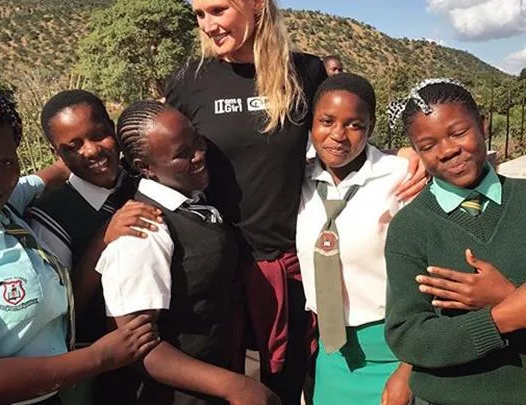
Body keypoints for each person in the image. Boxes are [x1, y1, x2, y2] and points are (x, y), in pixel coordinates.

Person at [165, 1, 427, 403]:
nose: (208, 25)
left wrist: (405, 157)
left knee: (288, 385)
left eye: (218, 9)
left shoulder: (304, 71)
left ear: (254, 5)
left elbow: (340, 134)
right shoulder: (189, 81)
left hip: (293, 267)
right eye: (199, 14)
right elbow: (164, 158)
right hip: (218, 270)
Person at [0, 77, 158, 405]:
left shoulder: (3, 207)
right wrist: (100, 357)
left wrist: (81, 157)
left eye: (5, 161)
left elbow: (43, 177)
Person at [93, 99, 280, 405]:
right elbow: (139, 347)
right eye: (182, 154)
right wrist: (234, 386)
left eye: (197, 140)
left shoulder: (194, 201)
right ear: (145, 168)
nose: (199, 154)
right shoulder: (144, 233)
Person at [384, 78, 526, 405]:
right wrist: (502, 316)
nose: (448, 150)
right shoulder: (410, 227)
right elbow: (408, 336)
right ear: (417, 152)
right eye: (429, 145)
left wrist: (505, 294)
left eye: (458, 132)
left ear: (482, 124)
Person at [28, 89, 162, 404]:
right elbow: (62, 308)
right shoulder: (51, 215)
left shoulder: (146, 179)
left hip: (171, 347)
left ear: (113, 128)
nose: (91, 151)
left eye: (99, 135)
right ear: (56, 153)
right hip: (107, 367)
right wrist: (104, 240)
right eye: (73, 146)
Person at [296, 73, 411, 405]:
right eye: (326, 121)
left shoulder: (400, 176)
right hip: (332, 356)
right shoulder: (297, 177)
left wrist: (408, 368)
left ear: (370, 127)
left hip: (395, 351)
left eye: (354, 125)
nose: (337, 135)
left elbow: (430, 269)